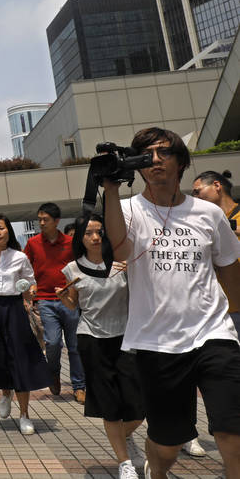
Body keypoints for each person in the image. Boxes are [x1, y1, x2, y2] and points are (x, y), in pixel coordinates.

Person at [102, 127, 240, 479]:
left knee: (231, 428)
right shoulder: (128, 209)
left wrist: (235, 321)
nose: (155, 160)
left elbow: (230, 270)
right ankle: (157, 470)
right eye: (146, 155)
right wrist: (110, 187)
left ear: (181, 163)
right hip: (156, 342)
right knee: (168, 442)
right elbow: (119, 249)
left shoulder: (208, 215)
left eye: (164, 152)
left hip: (213, 333)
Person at [58, 214, 144, 479]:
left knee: (139, 405)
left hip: (125, 337)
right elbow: (75, 305)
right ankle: (124, 463)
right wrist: (64, 299)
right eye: (89, 233)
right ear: (80, 239)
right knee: (110, 406)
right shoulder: (73, 269)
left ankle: (125, 436)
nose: (95, 238)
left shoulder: (122, 264)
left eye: (99, 232)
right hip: (92, 339)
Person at [0, 214, 50, 436]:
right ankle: (6, 393)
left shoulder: (19, 257)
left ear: (8, 231)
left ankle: (24, 415)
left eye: (1, 228)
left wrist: (28, 291)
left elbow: (31, 286)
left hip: (14, 309)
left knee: (20, 360)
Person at [24, 202, 86, 402]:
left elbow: (80, 268)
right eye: (39, 219)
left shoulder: (70, 242)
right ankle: (54, 372)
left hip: (69, 300)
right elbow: (25, 268)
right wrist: (29, 289)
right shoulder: (33, 244)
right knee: (52, 342)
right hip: (45, 300)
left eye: (46, 219)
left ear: (57, 221)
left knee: (75, 345)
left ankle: (79, 386)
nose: (41, 223)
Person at [192, 169, 240, 339]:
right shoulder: (203, 224)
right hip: (220, 314)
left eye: (198, 192)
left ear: (217, 185)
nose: (195, 198)